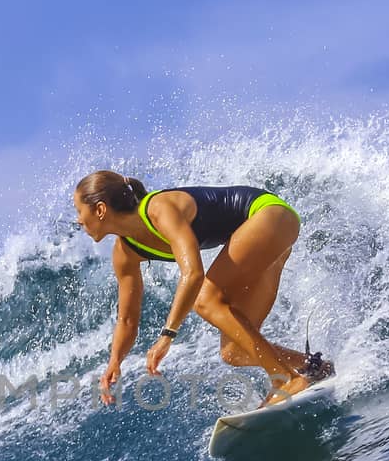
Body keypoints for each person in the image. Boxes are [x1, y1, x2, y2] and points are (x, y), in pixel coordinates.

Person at [72, 170, 333, 407]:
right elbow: (127, 319)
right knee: (234, 352)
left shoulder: (159, 208)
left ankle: (285, 380)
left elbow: (193, 273)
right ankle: (313, 368)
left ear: (100, 209)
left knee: (205, 299)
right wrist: (115, 361)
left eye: (79, 210)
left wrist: (167, 335)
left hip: (269, 215)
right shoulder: (125, 253)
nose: (78, 220)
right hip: (266, 239)